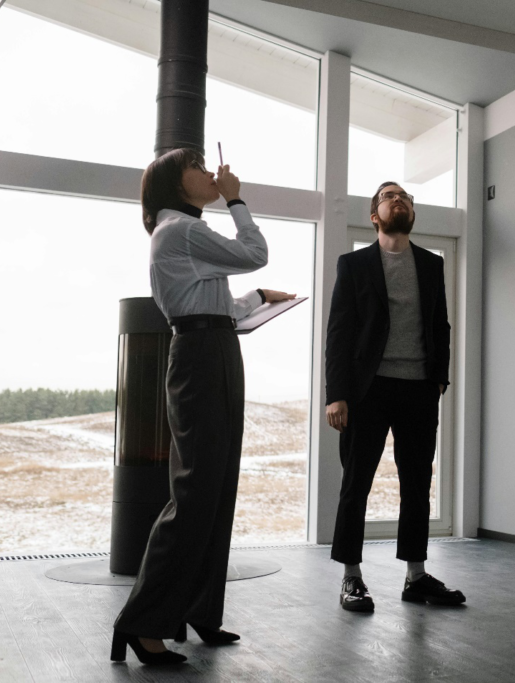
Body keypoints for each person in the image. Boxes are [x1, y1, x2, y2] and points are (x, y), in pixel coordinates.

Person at [111, 149, 295, 665]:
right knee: (195, 492)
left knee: (216, 489)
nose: (211, 174)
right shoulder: (179, 230)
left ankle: (199, 609)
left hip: (213, 348)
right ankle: (141, 623)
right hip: (199, 356)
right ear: (175, 183)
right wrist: (236, 197)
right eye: (199, 166)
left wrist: (258, 298)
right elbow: (254, 250)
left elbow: (217, 306)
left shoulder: (187, 237)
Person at [324, 181, 463, 612]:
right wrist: (337, 395)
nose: (398, 199)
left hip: (419, 387)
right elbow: (339, 334)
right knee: (356, 483)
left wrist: (439, 377)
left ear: (412, 213)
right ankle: (351, 577)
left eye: (405, 196)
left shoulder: (431, 265)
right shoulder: (354, 264)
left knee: (417, 483)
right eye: (388, 196)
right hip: (368, 390)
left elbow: (440, 325)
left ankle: (415, 575)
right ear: (374, 214)